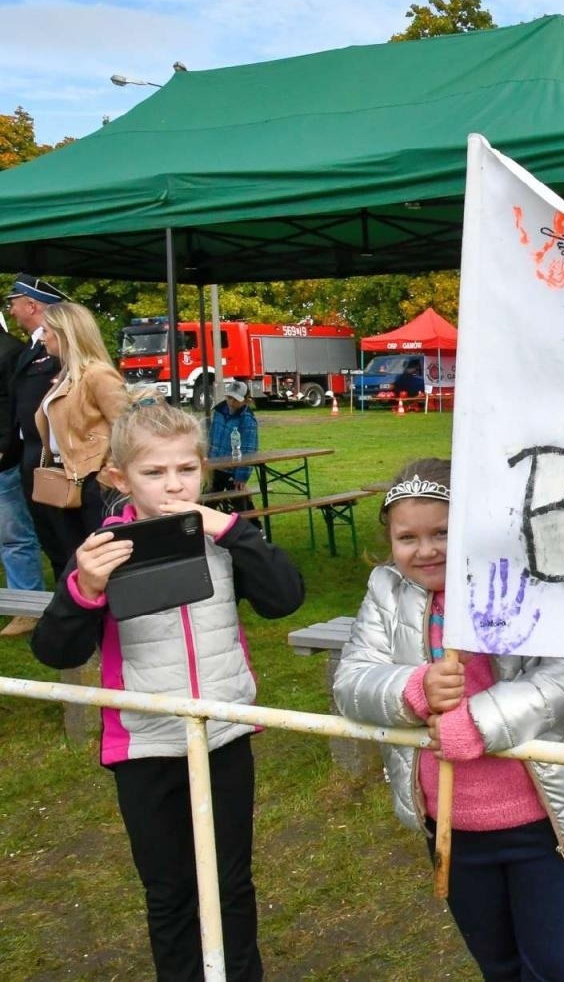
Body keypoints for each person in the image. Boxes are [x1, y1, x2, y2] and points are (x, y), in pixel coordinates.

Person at [30, 399, 305, 981]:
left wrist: (233, 531)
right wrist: (85, 587)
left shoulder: (224, 537)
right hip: (144, 744)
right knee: (171, 889)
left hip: (223, 731)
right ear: (118, 477)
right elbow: (57, 652)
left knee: (230, 882)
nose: (173, 486)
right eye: (153, 473)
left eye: (185, 470)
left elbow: (285, 599)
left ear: (203, 469)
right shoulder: (103, 551)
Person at [332, 458, 564, 982]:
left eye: (442, 531)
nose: (426, 549)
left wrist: (479, 722)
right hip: (453, 825)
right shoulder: (387, 590)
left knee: (558, 968)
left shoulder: (530, 573)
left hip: (544, 820)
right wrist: (413, 689)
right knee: (499, 965)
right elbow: (351, 683)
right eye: (407, 537)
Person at [35, 300, 132, 556]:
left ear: (65, 332)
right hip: (66, 478)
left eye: (45, 330)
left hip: (92, 481)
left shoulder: (97, 374)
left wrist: (102, 478)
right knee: (75, 556)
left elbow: (126, 429)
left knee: (99, 557)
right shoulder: (67, 374)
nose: (41, 338)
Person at [5, 273, 69, 577]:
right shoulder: (31, 348)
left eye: (14, 303)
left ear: (31, 305)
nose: (11, 310)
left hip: (55, 457)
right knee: (50, 538)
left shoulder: (60, 348)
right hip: (30, 455)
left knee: (67, 539)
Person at [0, 307, 45, 635]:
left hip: (5, 462)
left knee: (14, 535)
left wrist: (4, 448)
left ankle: (28, 604)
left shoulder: (8, 351)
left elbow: (13, 408)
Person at [208, 379, 259, 512]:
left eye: (236, 399)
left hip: (233, 468)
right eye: (230, 397)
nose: (232, 402)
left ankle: (256, 528)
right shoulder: (218, 411)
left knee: (240, 500)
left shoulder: (248, 419)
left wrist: (241, 475)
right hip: (215, 465)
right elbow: (212, 437)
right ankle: (208, 529)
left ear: (245, 400)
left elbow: (249, 449)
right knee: (209, 500)